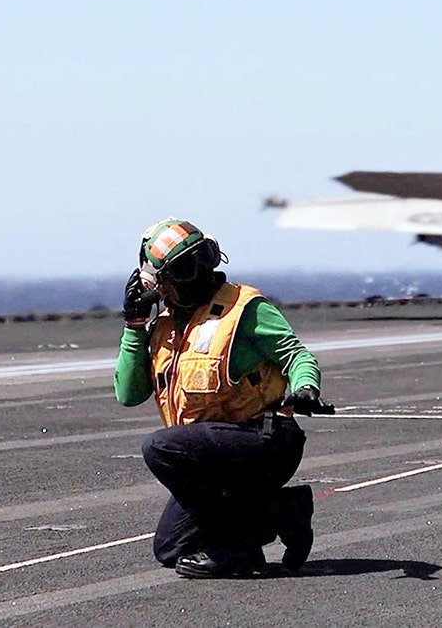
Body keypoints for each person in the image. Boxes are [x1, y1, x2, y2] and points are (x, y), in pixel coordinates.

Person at [113, 217, 332, 578]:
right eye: (183, 270)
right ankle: (283, 510)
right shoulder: (163, 328)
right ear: (157, 283)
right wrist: (134, 326)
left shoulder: (244, 309)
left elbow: (296, 355)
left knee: (160, 447)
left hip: (266, 441)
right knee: (172, 548)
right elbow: (128, 394)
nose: (198, 274)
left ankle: (238, 551)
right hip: (211, 455)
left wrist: (306, 387)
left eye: (203, 259)